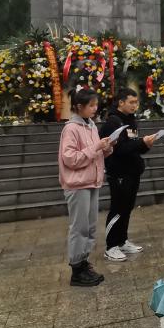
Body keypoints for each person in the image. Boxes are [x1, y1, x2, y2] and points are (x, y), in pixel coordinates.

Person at [59, 89, 114, 287]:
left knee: (90, 227)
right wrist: (96, 148)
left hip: (91, 181)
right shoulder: (71, 128)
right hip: (77, 184)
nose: (95, 108)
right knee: (79, 227)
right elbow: (70, 158)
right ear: (78, 107)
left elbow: (93, 154)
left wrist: (106, 149)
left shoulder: (91, 125)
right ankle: (76, 269)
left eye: (96, 104)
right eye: (91, 105)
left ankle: (83, 263)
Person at [99, 88, 157, 262]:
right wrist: (141, 143)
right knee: (117, 209)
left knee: (127, 208)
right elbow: (119, 149)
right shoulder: (113, 122)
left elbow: (133, 147)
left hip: (132, 171)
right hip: (119, 173)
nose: (134, 105)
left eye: (136, 102)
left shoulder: (130, 120)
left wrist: (145, 145)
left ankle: (122, 241)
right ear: (121, 102)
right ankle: (111, 246)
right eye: (131, 102)